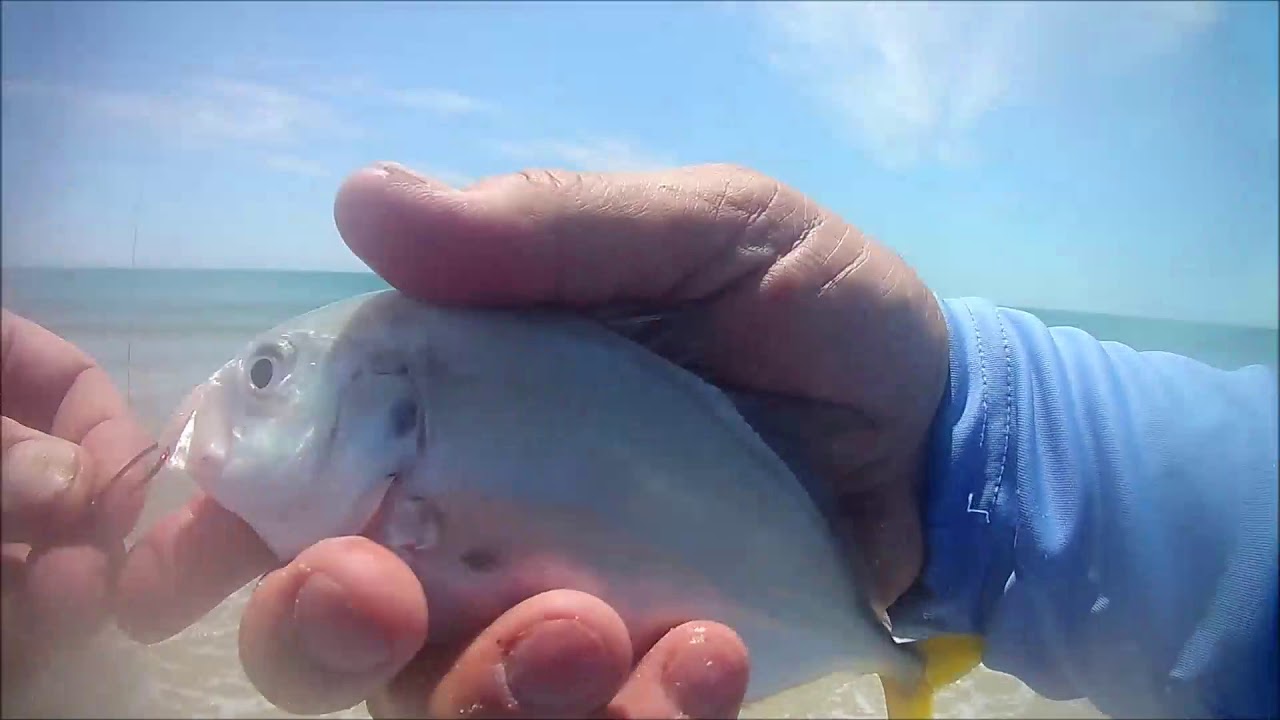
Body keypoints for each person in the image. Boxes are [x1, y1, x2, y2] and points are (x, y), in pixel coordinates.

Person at [2, 163, 1275, 719]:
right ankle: (894, 658)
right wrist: (966, 446)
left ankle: (888, 658)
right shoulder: (393, 449)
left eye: (271, 377)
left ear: (397, 410)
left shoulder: (404, 434)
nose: (235, 396)